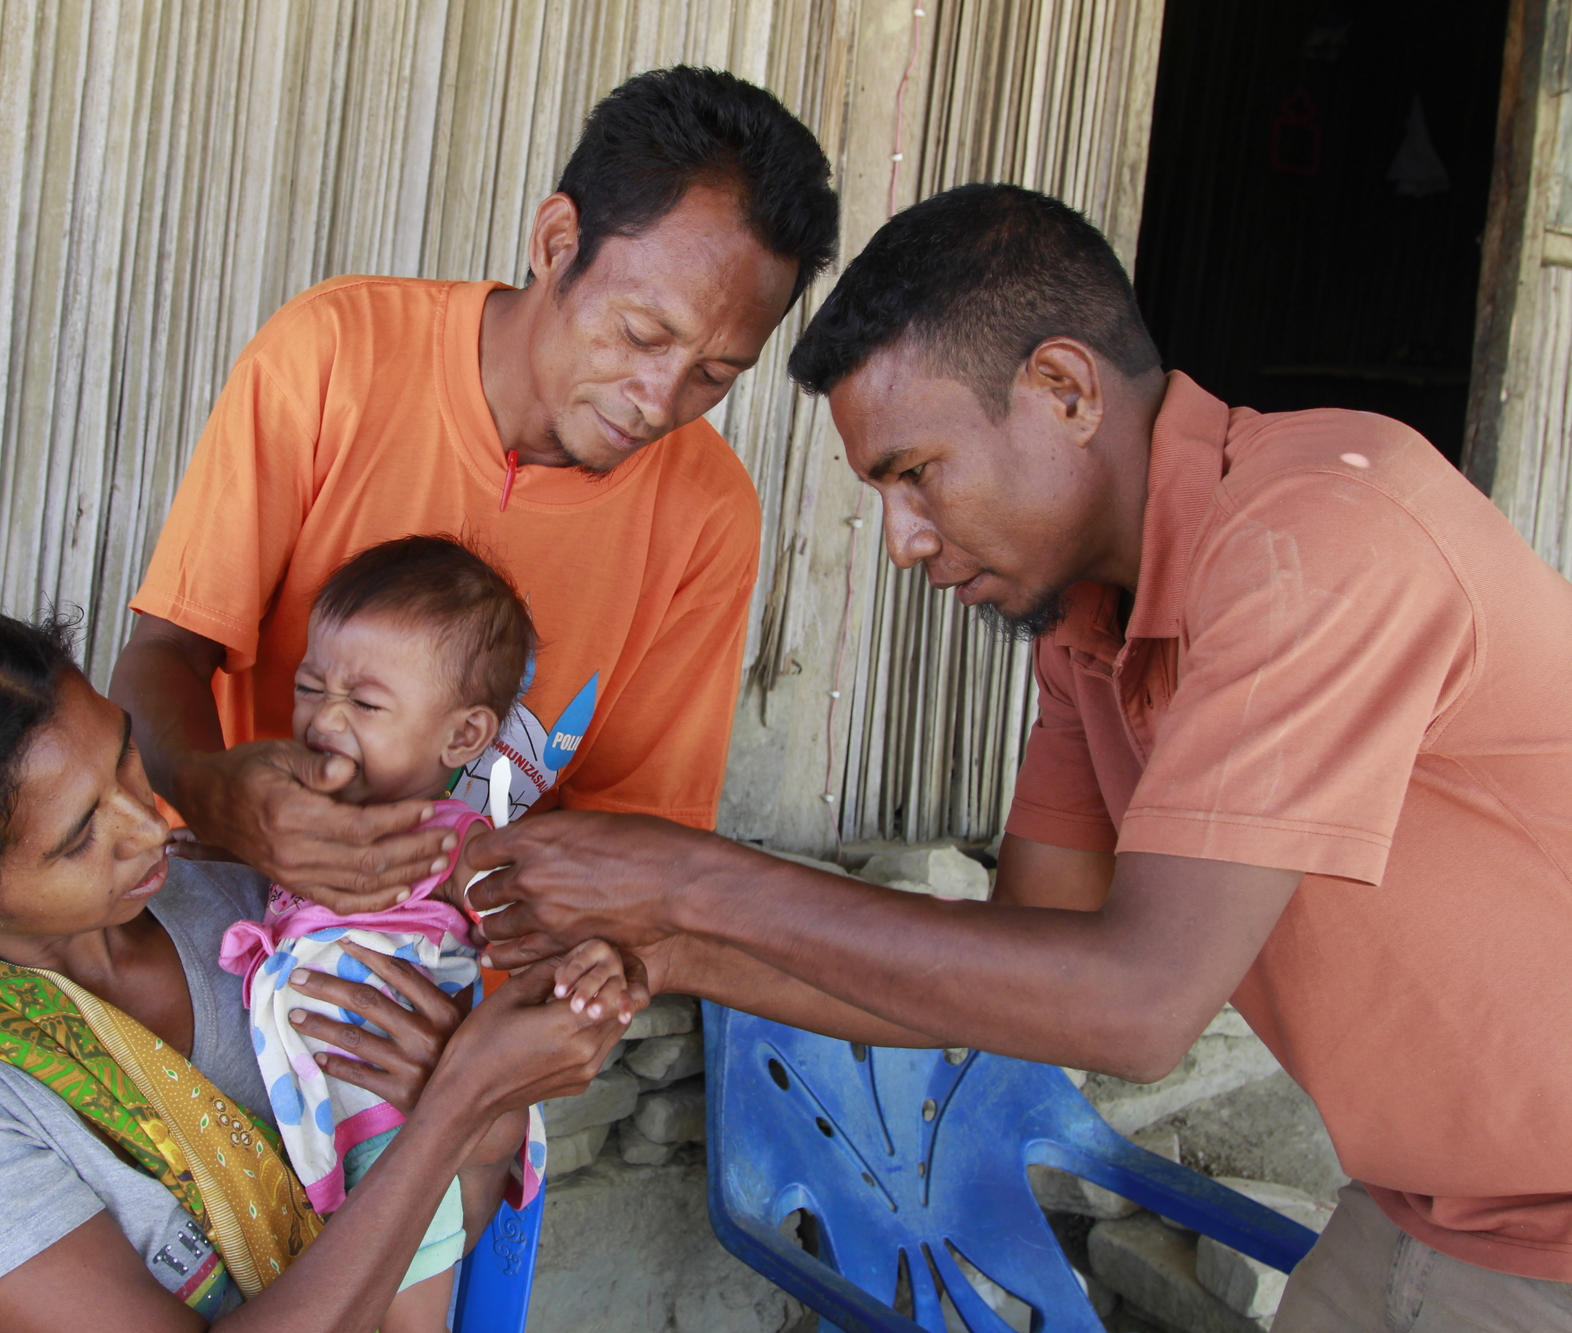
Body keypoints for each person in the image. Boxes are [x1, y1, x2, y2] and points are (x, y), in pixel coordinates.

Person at [461, 185, 1572, 1330]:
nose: (900, 541)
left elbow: (1138, 1004)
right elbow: (1014, 972)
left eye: (913, 472)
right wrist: (670, 952)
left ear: (1062, 390)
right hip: (1418, 1212)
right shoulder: (1089, 631)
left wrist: (682, 878)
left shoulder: (1318, 542)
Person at [0, 591, 639, 1333]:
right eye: (77, 837)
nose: (152, 826)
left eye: (128, 761)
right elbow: (433, 1149)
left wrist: (488, 1120)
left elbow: (429, 1233)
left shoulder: (257, 909)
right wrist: (458, 1108)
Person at [110, 65, 839, 913]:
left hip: (457, 964)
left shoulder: (708, 514)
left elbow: (639, 844)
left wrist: (499, 1015)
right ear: (557, 242)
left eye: (715, 374)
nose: (659, 401)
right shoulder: (335, 355)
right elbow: (165, 654)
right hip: (219, 901)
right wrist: (221, 796)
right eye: (641, 334)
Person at [217, 536, 633, 1331]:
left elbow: (535, 908)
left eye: (365, 705)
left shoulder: (449, 842)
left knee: (403, 1308)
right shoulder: (292, 813)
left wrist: (587, 954)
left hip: (397, 1118)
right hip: (303, 1108)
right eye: (311, 687)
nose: (325, 717)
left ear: (463, 737)